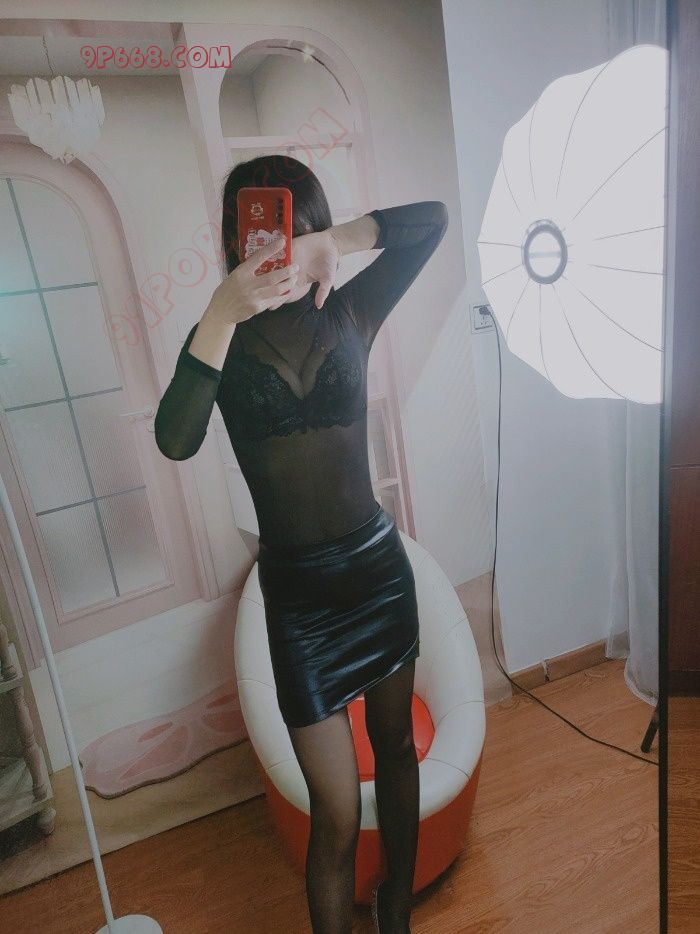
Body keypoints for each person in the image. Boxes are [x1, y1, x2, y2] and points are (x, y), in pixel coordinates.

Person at [154, 155, 448, 934]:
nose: (272, 243)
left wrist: (337, 241)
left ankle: (395, 915)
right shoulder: (218, 337)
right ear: (234, 239)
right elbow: (175, 440)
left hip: (379, 577)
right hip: (300, 609)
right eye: (256, 228)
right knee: (336, 811)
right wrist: (219, 310)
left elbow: (433, 222)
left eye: (290, 224)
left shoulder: (350, 309)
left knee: (396, 752)